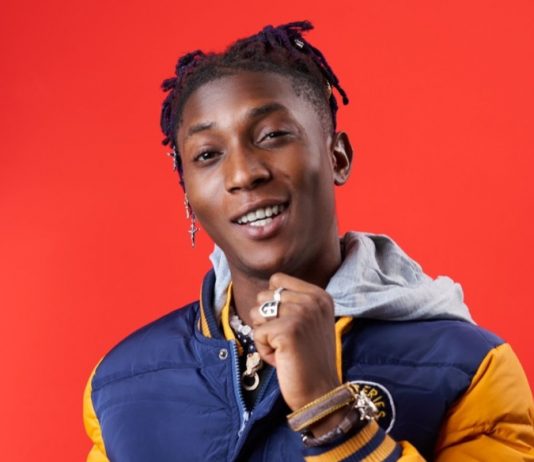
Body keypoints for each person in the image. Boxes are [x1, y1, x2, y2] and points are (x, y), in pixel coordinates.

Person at [83, 21, 534, 461]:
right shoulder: (118, 386)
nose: (243, 174)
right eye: (207, 154)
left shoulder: (469, 367)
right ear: (188, 192)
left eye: (273, 136)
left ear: (338, 157)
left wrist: (332, 414)